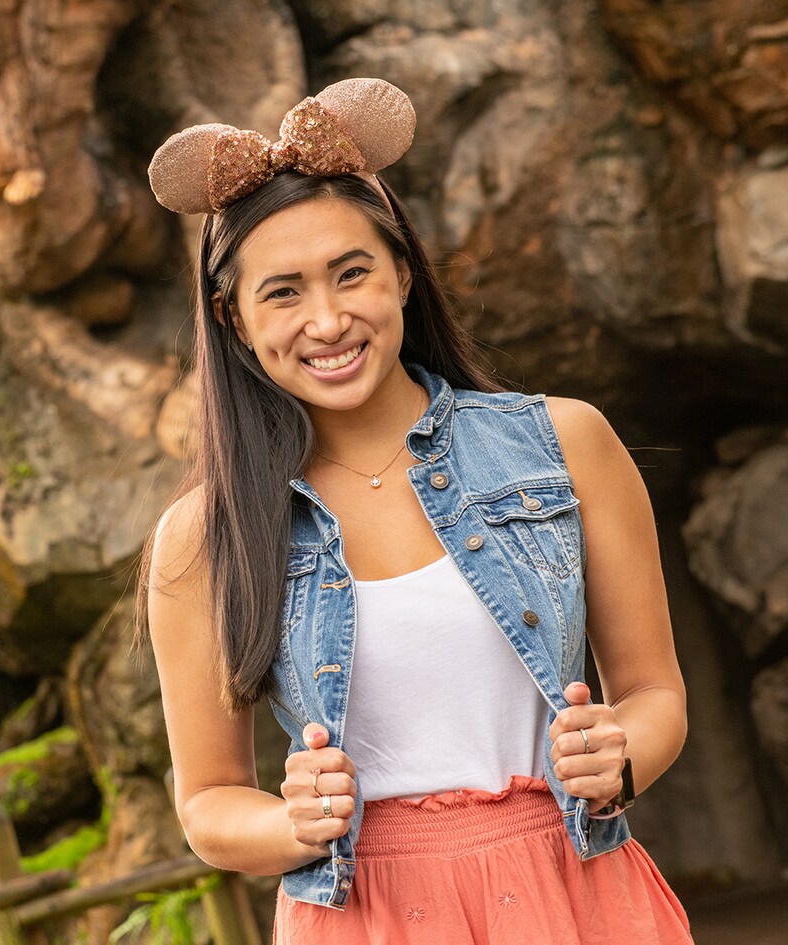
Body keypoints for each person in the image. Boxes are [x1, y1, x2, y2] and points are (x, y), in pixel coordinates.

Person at [132, 78, 695, 943]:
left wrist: (618, 756)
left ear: (400, 272)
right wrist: (293, 823)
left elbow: (654, 692)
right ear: (233, 319)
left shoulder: (566, 444)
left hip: (573, 888)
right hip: (365, 916)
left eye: (350, 273)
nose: (326, 319)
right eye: (282, 292)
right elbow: (207, 802)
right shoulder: (207, 537)